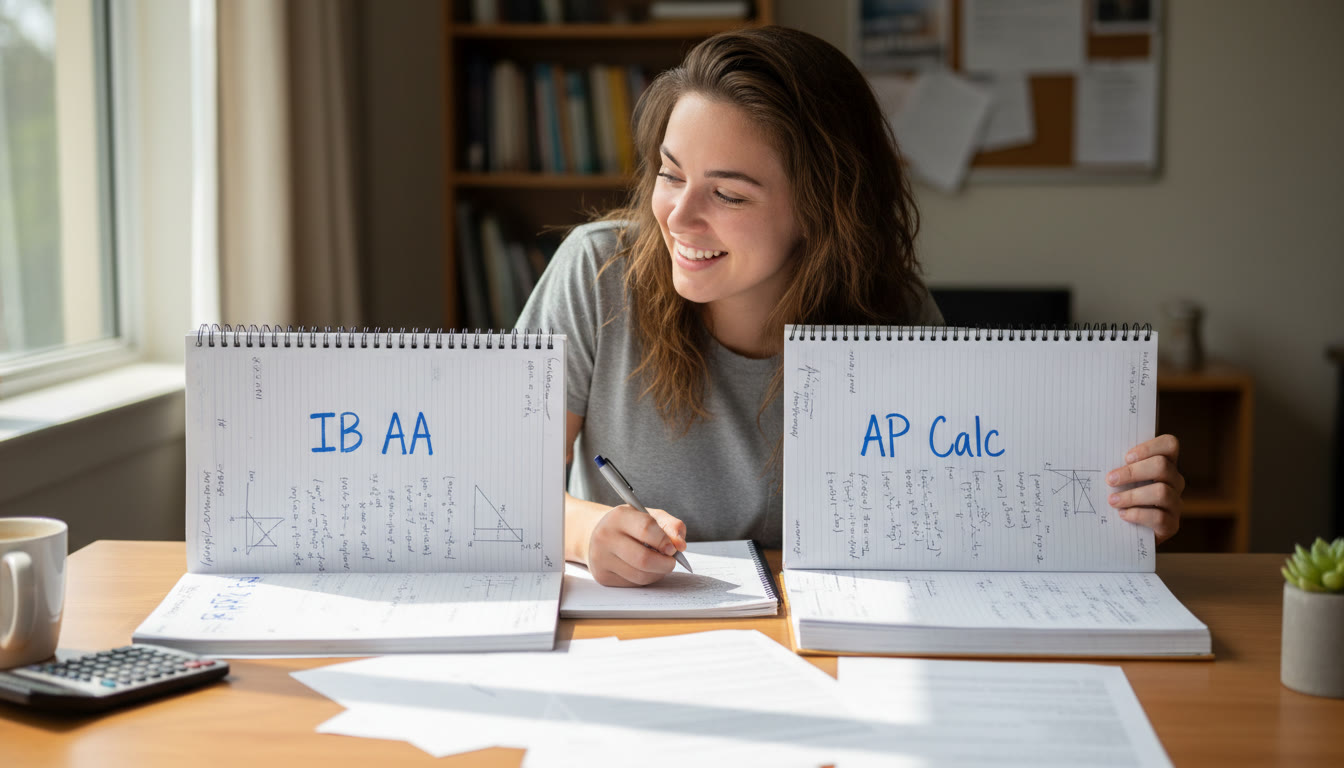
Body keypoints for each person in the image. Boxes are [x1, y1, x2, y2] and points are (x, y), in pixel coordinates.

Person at [516, 26, 1184, 587]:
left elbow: (966, 509)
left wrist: (1122, 505)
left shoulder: (890, 311)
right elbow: (504, 486)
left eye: (729, 194)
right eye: (670, 173)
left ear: (817, 209)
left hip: (828, 645)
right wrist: (588, 531)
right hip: (634, 636)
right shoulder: (598, 272)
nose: (678, 216)